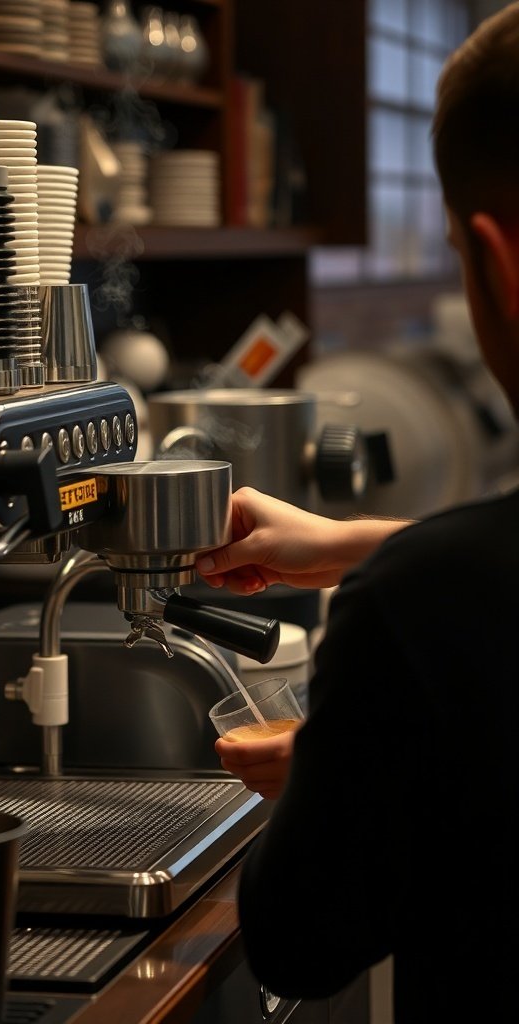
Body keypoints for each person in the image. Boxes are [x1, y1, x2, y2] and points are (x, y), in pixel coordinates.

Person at [195, 6, 519, 1021]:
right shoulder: (432, 593)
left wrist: (350, 767)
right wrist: (357, 544)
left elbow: (298, 943)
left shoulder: (420, 612)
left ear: (500, 268)